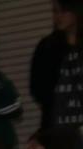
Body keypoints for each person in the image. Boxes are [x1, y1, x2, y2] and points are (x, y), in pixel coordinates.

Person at [32, 0, 83, 130]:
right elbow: (37, 88)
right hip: (56, 125)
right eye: (55, 11)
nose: (58, 16)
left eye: (63, 11)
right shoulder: (47, 46)